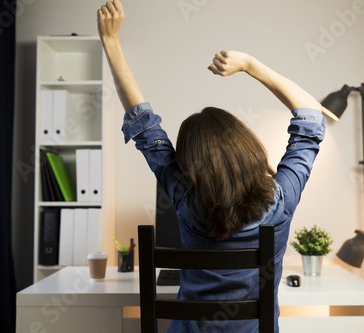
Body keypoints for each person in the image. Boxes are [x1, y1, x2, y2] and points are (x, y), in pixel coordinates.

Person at [97, 1, 326, 332]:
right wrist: (250, 64)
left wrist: (111, 41)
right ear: (246, 148)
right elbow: (311, 116)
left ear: (191, 167)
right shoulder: (282, 199)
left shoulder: (184, 197)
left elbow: (145, 127)